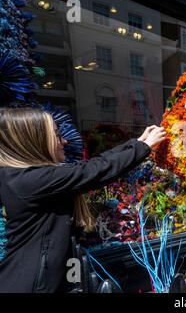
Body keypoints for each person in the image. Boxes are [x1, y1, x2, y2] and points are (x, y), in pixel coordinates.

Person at [0, 108, 166, 293]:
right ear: (33, 142)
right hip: (31, 284)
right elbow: (93, 171)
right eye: (56, 135)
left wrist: (137, 143)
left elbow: (88, 166)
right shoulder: (28, 181)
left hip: (53, 277)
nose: (64, 141)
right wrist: (143, 147)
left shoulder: (24, 178)